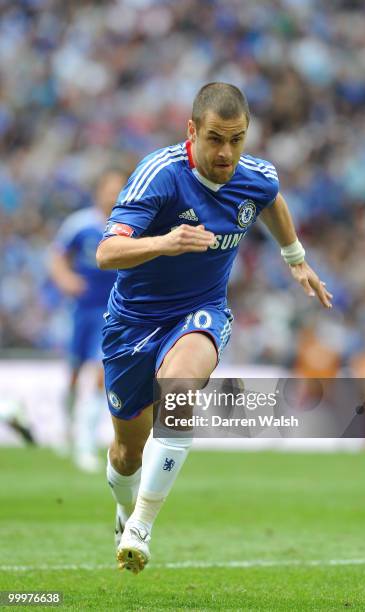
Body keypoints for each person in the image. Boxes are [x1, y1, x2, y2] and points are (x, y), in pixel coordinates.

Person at [96, 82, 333, 573]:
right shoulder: (159, 175)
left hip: (201, 311)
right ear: (192, 131)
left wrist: (296, 259)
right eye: (216, 139)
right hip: (132, 324)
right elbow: (106, 253)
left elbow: (272, 199)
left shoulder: (255, 176)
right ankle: (124, 508)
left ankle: (141, 525)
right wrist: (165, 242)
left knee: (180, 391)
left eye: (237, 140)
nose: (227, 153)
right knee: (125, 454)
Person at [50, 170, 125, 472]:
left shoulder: (131, 226)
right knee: (73, 373)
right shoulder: (80, 224)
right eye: (109, 189)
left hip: (114, 312)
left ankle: (85, 444)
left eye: (119, 190)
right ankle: (66, 428)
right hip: (82, 311)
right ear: (99, 191)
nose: (113, 195)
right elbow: (57, 255)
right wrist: (65, 279)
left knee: (100, 375)